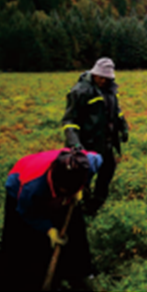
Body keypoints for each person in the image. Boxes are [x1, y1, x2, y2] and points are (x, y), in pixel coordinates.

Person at [0, 148, 102, 292]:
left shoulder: (87, 164)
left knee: (75, 228)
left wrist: (82, 188)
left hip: (54, 183)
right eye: (63, 191)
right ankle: (28, 279)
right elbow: (27, 212)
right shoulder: (32, 187)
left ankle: (79, 272)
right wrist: (48, 229)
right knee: (28, 239)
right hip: (19, 182)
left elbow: (98, 158)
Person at [61, 57, 129, 215]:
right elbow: (69, 120)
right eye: (101, 77)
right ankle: (79, 206)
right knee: (83, 178)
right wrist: (74, 143)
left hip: (107, 142)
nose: (103, 81)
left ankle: (95, 205)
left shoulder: (111, 90)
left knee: (107, 172)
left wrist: (123, 126)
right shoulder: (79, 91)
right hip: (87, 144)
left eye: (107, 78)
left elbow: (116, 111)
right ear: (94, 74)